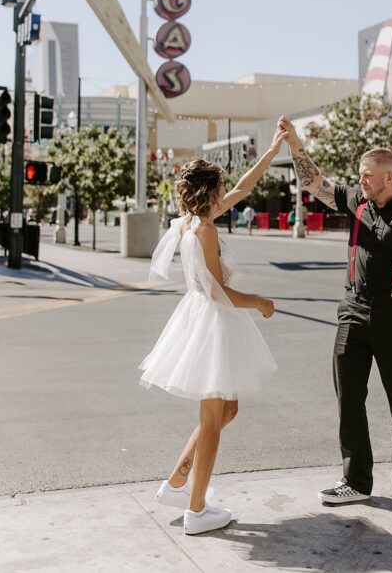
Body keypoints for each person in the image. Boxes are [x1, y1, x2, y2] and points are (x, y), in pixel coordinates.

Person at [279, 116, 392, 512]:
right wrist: (295, 144)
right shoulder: (357, 201)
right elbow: (314, 183)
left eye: (367, 175)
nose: (361, 181)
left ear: (389, 177)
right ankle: (356, 480)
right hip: (352, 311)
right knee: (348, 398)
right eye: (359, 176)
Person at [139, 130, 285, 535]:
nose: (226, 191)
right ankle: (197, 509)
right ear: (208, 193)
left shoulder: (192, 222)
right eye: (220, 187)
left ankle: (177, 482)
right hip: (213, 322)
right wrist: (259, 301)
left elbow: (243, 186)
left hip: (204, 319)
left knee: (226, 411)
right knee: (212, 417)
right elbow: (219, 293)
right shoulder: (203, 231)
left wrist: (272, 151)